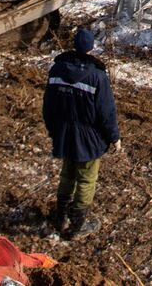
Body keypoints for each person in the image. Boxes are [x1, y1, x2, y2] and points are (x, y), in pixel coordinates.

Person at [42, 27, 121, 238]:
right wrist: (114, 137)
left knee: (67, 173)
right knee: (86, 179)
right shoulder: (97, 77)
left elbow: (48, 106)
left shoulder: (57, 70)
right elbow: (106, 112)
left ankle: (60, 217)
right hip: (88, 137)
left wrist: (54, 130)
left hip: (64, 132)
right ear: (91, 48)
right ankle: (76, 226)